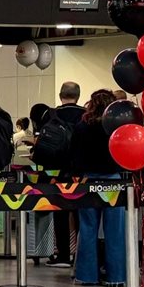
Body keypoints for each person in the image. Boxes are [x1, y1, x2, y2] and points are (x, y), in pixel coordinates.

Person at [68, 89, 126, 287]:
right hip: (113, 181)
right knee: (115, 230)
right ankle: (116, 276)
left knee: (88, 228)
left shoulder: (82, 126)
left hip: (89, 180)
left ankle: (86, 275)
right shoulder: (116, 126)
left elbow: (73, 154)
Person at [40, 82, 84, 268]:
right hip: (79, 173)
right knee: (82, 213)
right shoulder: (85, 115)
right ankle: (81, 253)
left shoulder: (50, 115)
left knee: (60, 211)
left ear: (60, 95)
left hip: (56, 172)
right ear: (78, 95)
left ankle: (63, 254)